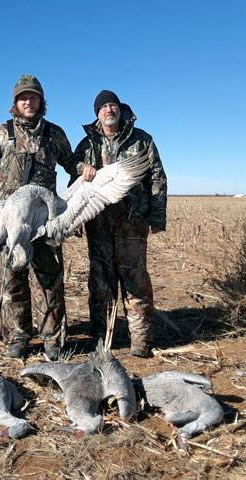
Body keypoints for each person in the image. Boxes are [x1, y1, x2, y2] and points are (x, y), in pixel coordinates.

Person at [0, 75, 79, 360]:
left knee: (50, 279)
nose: (28, 101)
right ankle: (19, 335)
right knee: (13, 279)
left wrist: (83, 168)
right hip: (11, 221)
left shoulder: (54, 134)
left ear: (41, 101)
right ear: (15, 102)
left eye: (33, 97)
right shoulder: (3, 132)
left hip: (43, 221)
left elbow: (71, 163)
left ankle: (51, 337)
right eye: (23, 97)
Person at [71, 90, 167, 357]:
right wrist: (81, 170)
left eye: (112, 105)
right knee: (101, 284)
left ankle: (141, 340)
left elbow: (157, 178)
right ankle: (103, 337)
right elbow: (74, 179)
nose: (108, 110)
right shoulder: (87, 144)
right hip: (98, 224)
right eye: (103, 107)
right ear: (97, 113)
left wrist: (157, 216)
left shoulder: (142, 140)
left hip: (132, 223)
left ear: (121, 109)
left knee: (135, 280)